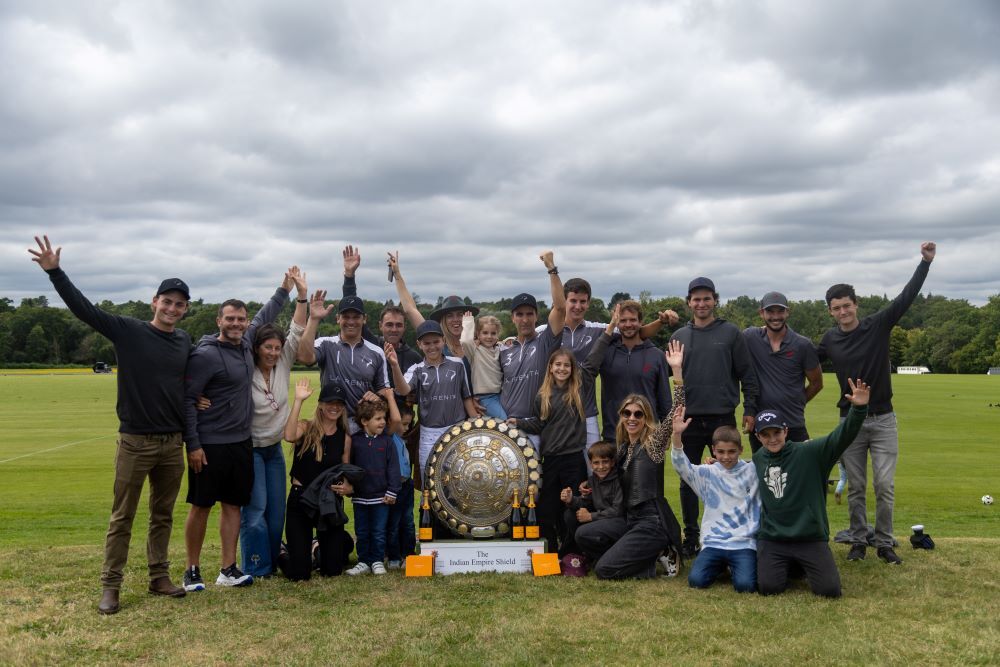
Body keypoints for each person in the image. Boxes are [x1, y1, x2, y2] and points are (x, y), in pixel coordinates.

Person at [29, 235, 191, 615]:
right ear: (155, 302)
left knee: (163, 514)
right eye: (166, 301)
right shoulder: (128, 330)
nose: (171, 308)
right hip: (135, 441)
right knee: (123, 516)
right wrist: (56, 273)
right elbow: (84, 310)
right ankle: (111, 587)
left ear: (185, 310)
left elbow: (193, 378)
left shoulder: (184, 341)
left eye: (179, 304)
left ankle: (158, 577)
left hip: (173, 443)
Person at [818, 242, 936, 565]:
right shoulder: (829, 340)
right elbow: (803, 361)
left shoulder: (878, 325)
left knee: (884, 485)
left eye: (847, 305)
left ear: (856, 305)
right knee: (855, 485)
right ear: (830, 311)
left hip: (883, 418)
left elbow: (906, 298)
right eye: (836, 308)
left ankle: (884, 542)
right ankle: (857, 540)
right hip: (850, 422)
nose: (843, 312)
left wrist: (924, 263)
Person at [182, 275, 290, 591]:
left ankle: (228, 568)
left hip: (241, 443)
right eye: (230, 319)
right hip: (209, 444)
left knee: (233, 506)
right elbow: (189, 399)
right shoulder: (205, 353)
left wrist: (284, 290)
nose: (236, 323)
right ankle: (192, 569)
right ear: (219, 320)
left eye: (241, 319)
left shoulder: (245, 344)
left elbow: (265, 315)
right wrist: (193, 444)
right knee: (201, 506)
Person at [752, 379, 871, 597]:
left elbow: (840, 438)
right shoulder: (759, 459)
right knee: (769, 588)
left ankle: (800, 564)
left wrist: (859, 409)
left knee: (829, 590)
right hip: (774, 538)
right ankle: (792, 565)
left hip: (809, 536)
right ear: (758, 437)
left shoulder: (810, 453)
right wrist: (715, 463)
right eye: (765, 435)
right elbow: (737, 470)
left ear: (786, 431)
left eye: (776, 433)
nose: (772, 439)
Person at [670, 277, 759, 559]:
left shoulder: (732, 333)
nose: (701, 303)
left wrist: (750, 408)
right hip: (690, 418)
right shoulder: (679, 336)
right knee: (688, 479)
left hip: (722, 415)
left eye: (706, 298)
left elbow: (747, 374)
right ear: (689, 303)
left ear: (715, 300)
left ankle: (734, 532)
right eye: (696, 299)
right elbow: (672, 378)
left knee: (729, 475)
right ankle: (691, 536)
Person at [239, 268, 309, 578]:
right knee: (254, 512)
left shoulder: (283, 362)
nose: (273, 352)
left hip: (274, 450)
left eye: (277, 348)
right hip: (251, 448)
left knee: (276, 511)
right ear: (256, 348)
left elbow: (296, 329)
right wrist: (282, 288)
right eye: (267, 347)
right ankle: (257, 566)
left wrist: (302, 296)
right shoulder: (245, 367)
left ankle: (271, 558)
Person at [548, 278, 677, 447]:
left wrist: (662, 321)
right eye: (622, 321)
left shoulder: (656, 355)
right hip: (613, 433)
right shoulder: (607, 349)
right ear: (616, 323)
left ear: (640, 322)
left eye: (633, 320)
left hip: (648, 434)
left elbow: (665, 399)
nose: (628, 325)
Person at [580, 386, 685, 580]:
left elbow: (677, 409)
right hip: (628, 518)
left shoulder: (653, 444)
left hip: (651, 521)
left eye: (639, 414)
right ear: (621, 416)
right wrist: (588, 484)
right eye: (627, 413)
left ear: (646, 418)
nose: (632, 418)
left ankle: (659, 554)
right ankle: (647, 554)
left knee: (604, 570)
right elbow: (607, 475)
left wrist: (677, 371)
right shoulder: (623, 448)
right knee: (583, 534)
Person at [511, 348, 590, 554]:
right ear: (550, 367)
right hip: (552, 460)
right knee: (546, 508)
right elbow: (539, 424)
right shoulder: (542, 396)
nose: (562, 369)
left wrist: (610, 329)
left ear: (573, 369)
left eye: (566, 365)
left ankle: (572, 554)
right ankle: (551, 552)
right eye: (558, 364)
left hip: (573, 459)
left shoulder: (579, 391)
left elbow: (593, 361)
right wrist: (519, 423)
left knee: (571, 507)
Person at [670, 421, 760, 592]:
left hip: (743, 543)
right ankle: (720, 566)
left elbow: (772, 459)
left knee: (745, 586)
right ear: (713, 450)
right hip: (714, 542)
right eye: (720, 452)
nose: (726, 457)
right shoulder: (708, 473)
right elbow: (682, 467)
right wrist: (677, 435)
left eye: (732, 452)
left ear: (741, 450)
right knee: (696, 581)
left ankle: (733, 567)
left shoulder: (752, 472)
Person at [282, 379, 354, 580]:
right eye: (330, 403)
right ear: (321, 404)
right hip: (301, 499)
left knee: (332, 570)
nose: (334, 407)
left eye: (339, 404)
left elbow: (345, 468)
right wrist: (298, 401)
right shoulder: (306, 427)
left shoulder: (345, 437)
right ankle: (282, 552)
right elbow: (288, 435)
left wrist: (348, 485)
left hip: (328, 502)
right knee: (299, 574)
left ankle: (318, 546)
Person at [297, 290, 391, 434]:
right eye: (346, 317)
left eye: (356, 317)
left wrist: (378, 396)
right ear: (338, 319)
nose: (351, 321)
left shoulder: (377, 352)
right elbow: (304, 357)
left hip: (364, 425)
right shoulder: (325, 344)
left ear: (364, 318)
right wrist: (313, 319)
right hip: (331, 422)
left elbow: (384, 389)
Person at [388, 320, 477, 471]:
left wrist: (475, 422)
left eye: (436, 341)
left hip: (457, 430)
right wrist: (395, 366)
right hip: (429, 433)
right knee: (429, 483)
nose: (432, 347)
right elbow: (403, 390)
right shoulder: (416, 369)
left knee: (458, 480)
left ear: (443, 340)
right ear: (419, 344)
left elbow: (466, 397)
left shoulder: (457, 364)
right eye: (427, 343)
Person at [743, 291, 823, 452]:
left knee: (799, 474)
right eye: (770, 311)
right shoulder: (750, 337)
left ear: (788, 312)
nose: (775, 316)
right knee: (764, 476)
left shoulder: (802, 345)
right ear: (761, 313)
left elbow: (816, 383)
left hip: (793, 423)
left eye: (780, 311)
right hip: (761, 425)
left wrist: (797, 401)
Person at [499, 251, 567, 440]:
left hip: (534, 426)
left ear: (537, 316)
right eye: (519, 314)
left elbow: (561, 308)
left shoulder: (546, 342)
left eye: (530, 314)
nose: (525, 319)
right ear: (512, 318)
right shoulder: (504, 350)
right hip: (505, 425)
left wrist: (551, 269)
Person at [340, 245, 423, 384]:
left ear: (404, 327)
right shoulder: (371, 345)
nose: (394, 329)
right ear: (380, 326)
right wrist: (349, 276)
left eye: (398, 325)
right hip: (371, 405)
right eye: (389, 324)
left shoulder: (414, 358)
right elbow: (351, 307)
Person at [346, 395, 403, 576]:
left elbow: (394, 468)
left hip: (382, 497)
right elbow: (349, 466)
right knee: (362, 531)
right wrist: (351, 488)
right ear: (364, 421)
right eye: (377, 419)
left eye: (384, 418)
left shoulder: (387, 441)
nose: (383, 422)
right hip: (360, 497)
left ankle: (377, 560)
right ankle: (363, 561)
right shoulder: (354, 441)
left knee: (379, 531)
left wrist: (393, 491)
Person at [559, 441, 625, 560]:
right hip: (602, 519)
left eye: (605, 462)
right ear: (590, 464)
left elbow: (618, 510)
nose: (600, 467)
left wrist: (591, 516)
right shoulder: (592, 480)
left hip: (619, 522)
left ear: (612, 462)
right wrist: (571, 500)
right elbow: (587, 502)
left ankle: (606, 557)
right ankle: (585, 554)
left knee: (582, 532)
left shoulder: (619, 480)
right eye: (596, 463)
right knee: (570, 515)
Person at [385, 402, 417, 569]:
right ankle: (394, 556)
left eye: (408, 424)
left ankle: (409, 554)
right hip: (394, 487)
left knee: (408, 522)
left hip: (406, 485)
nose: (406, 428)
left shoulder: (401, 439)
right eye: (403, 424)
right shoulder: (389, 437)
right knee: (394, 524)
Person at [460, 311, 506, 419]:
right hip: (485, 397)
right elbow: (465, 341)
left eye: (493, 333)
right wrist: (468, 322)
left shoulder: (499, 350)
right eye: (485, 333)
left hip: (501, 395)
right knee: (504, 423)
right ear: (478, 334)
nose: (489, 337)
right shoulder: (475, 351)